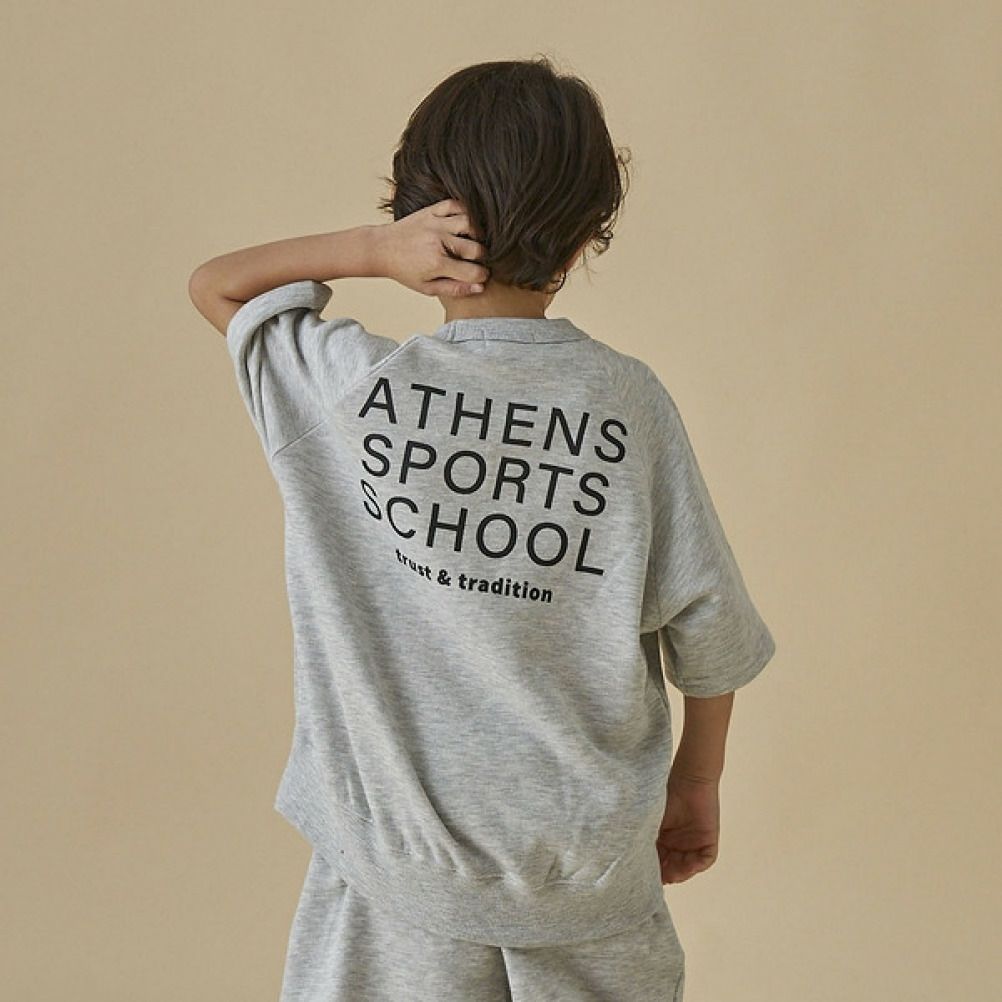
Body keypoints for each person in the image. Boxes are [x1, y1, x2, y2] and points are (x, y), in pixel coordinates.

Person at [188, 55, 775, 1002]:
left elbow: (218, 286)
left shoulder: (350, 392)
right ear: (585, 236)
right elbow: (710, 632)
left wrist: (373, 251)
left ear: (417, 213)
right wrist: (696, 783)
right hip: (589, 887)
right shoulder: (628, 407)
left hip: (390, 887)